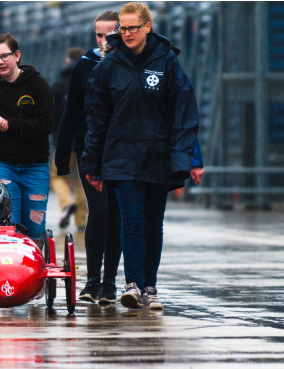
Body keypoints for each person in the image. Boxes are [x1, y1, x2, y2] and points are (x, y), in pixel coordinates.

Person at [80, 2, 202, 310]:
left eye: (133, 27)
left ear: (147, 27)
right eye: (123, 28)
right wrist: (92, 163)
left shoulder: (167, 63)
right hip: (120, 158)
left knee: (152, 223)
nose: (127, 33)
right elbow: (96, 119)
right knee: (131, 221)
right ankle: (132, 284)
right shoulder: (108, 67)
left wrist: (188, 157)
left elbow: (183, 112)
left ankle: (151, 286)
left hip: (156, 156)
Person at [55, 11, 122, 304]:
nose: (104, 40)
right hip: (89, 150)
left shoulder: (129, 64)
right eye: (98, 35)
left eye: (110, 34)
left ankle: (109, 282)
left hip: (122, 152)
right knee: (100, 212)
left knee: (117, 215)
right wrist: (61, 158)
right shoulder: (85, 65)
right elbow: (71, 113)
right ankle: (92, 280)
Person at [0, 32, 54, 243]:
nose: (0, 62)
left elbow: (46, 124)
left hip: (35, 166)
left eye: (5, 56)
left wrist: (10, 126)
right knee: (8, 224)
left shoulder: (37, 84)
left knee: (35, 225)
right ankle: (8, 269)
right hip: (1, 164)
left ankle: (34, 267)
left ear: (17, 55)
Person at [50, 46, 87, 231]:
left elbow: (52, 116)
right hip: (84, 142)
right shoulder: (89, 80)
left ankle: (66, 203)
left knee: (57, 176)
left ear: (67, 60)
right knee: (82, 180)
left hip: (62, 141)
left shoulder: (57, 85)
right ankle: (82, 220)